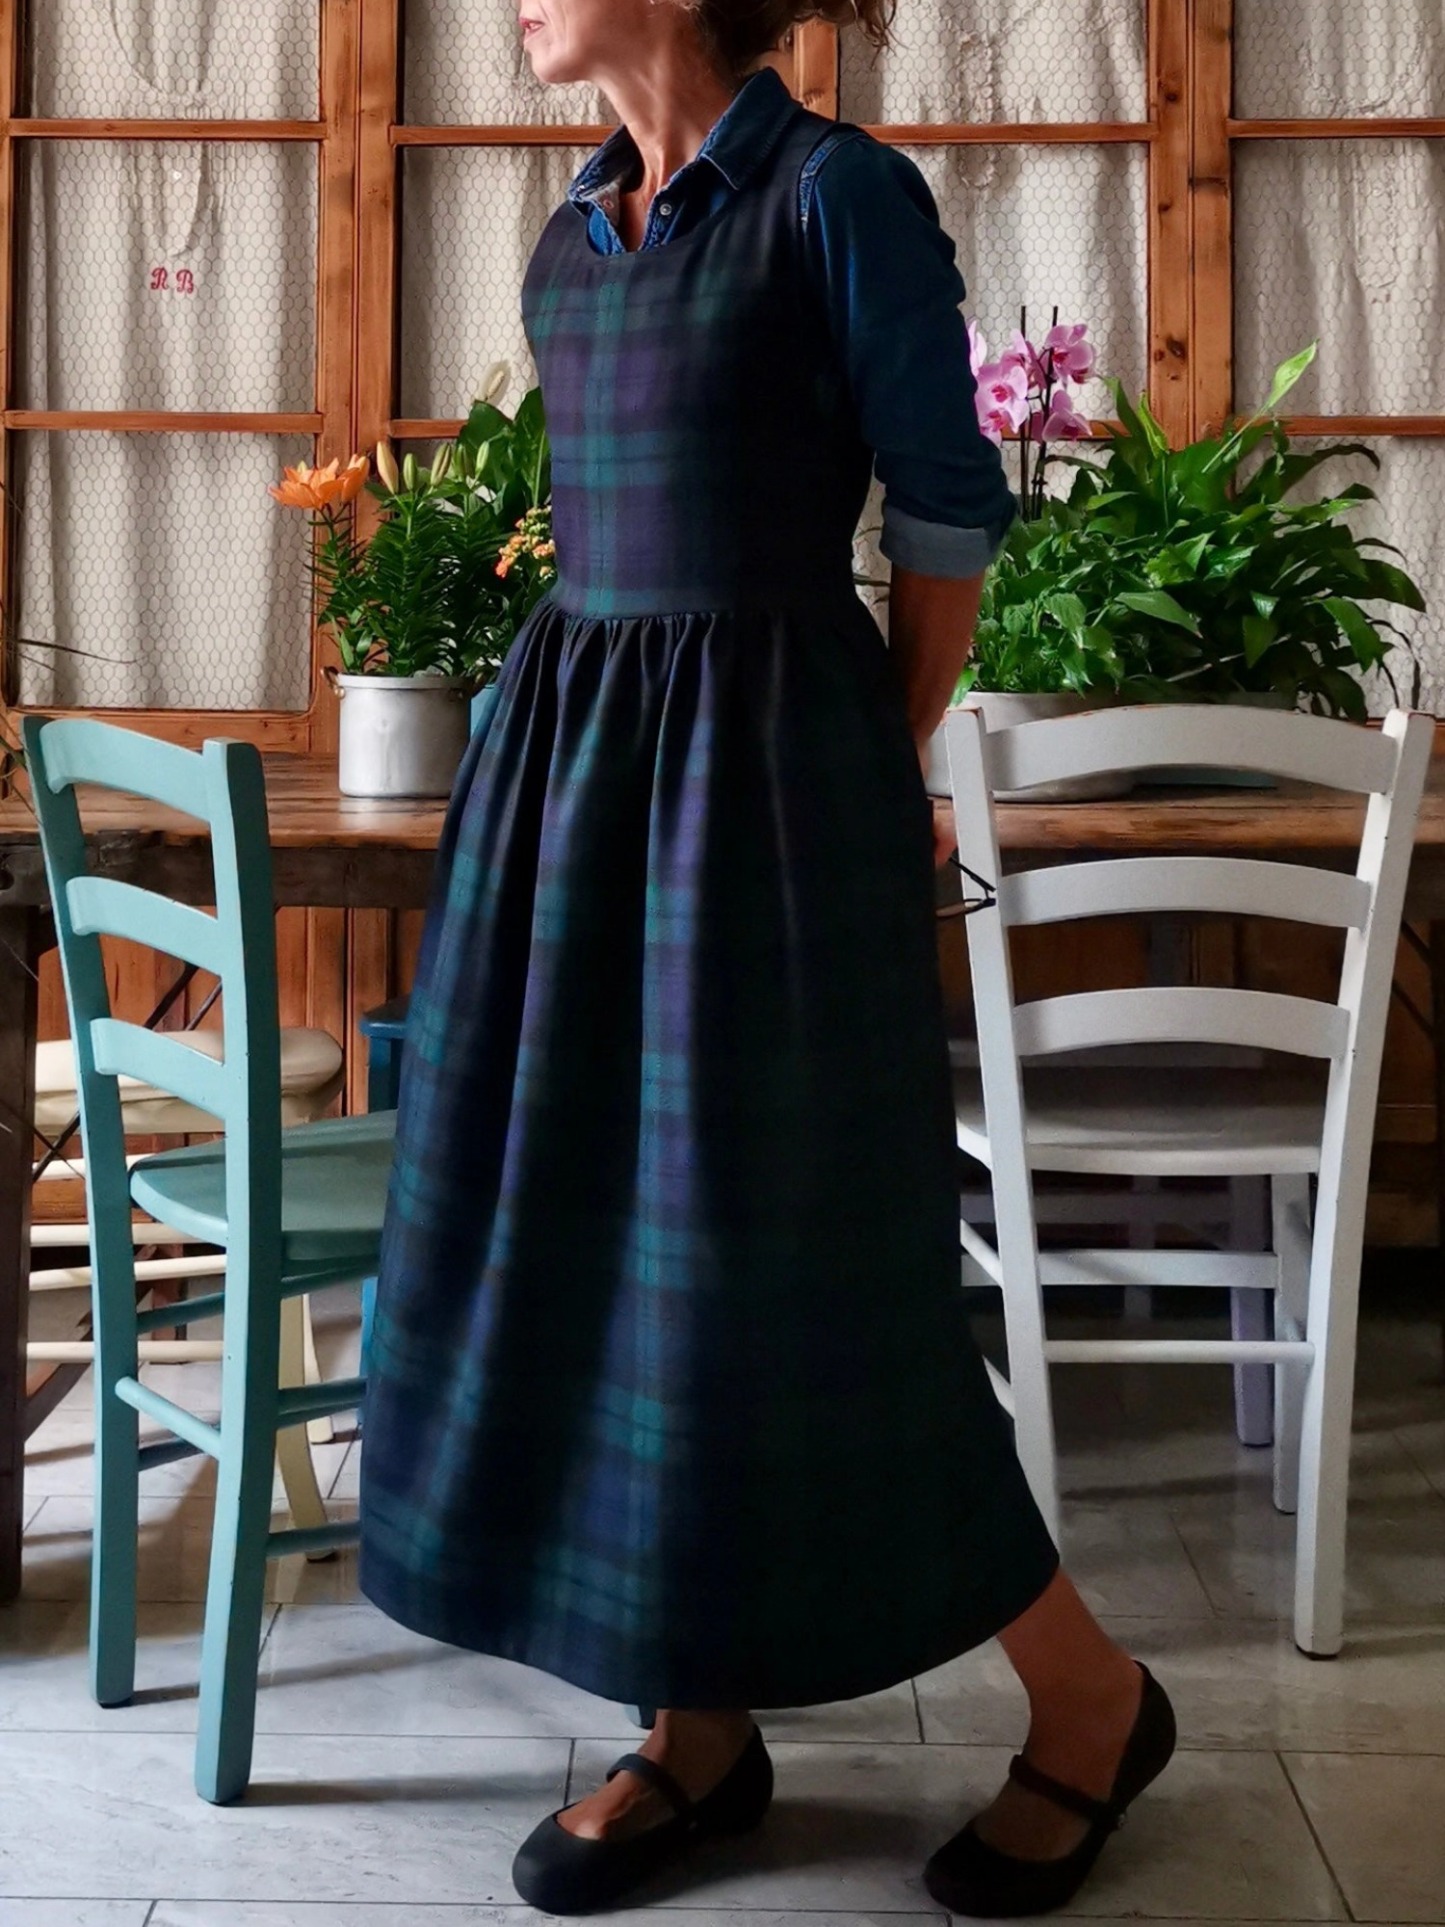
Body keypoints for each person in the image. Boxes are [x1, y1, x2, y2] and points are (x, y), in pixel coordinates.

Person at [359, 1, 1176, 1914]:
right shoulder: (573, 234)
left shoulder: (834, 199)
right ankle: (698, 1726)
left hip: (772, 794)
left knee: (807, 1267)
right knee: (607, 1252)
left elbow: (947, 510)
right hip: (569, 797)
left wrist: (870, 756)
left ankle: (1090, 1699)